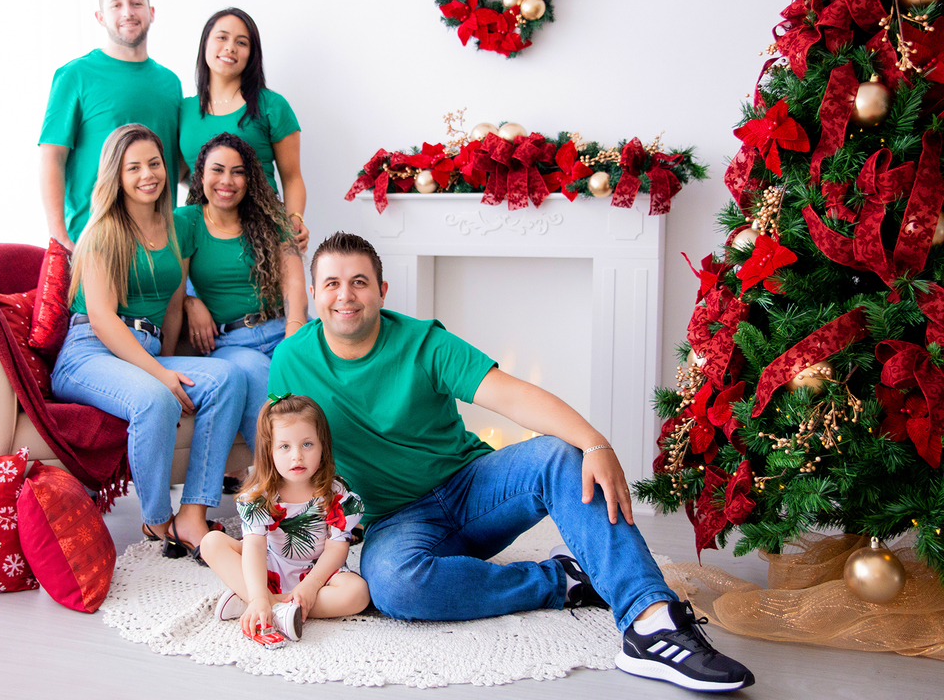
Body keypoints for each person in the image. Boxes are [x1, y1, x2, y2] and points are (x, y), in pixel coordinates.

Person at [267, 232, 756, 693]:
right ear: (313, 292)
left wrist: (595, 442)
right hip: (394, 520)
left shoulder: (423, 343)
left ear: (381, 290)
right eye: (332, 283)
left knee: (560, 454)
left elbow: (514, 398)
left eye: (359, 282)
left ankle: (652, 622)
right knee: (393, 586)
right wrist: (267, 530)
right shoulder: (291, 360)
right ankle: (559, 580)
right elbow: (282, 450)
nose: (345, 295)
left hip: (471, 487)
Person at [50, 123, 246, 558]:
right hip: (89, 353)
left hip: (149, 349)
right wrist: (162, 376)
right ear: (115, 176)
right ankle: (158, 521)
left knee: (227, 377)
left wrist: (173, 364)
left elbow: (174, 307)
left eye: (154, 163)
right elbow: (102, 320)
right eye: (132, 167)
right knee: (156, 398)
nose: (147, 174)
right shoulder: (101, 231)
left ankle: (192, 513)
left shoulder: (171, 227)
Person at [176, 132, 307, 454]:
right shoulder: (186, 221)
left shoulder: (269, 217)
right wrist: (190, 302)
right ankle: (277, 487)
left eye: (238, 172)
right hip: (231, 342)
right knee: (259, 377)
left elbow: (294, 282)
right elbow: (170, 286)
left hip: (282, 329)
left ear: (250, 179)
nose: (227, 180)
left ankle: (340, 483)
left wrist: (293, 333)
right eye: (217, 170)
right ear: (201, 175)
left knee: (321, 382)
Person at [201, 394, 369, 644]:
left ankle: (259, 604)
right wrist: (259, 593)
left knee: (358, 593)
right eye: (285, 447)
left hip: (319, 574)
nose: (297, 457)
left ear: (323, 445)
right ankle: (264, 603)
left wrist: (312, 585)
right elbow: (255, 547)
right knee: (211, 542)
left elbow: (337, 548)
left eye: (307, 444)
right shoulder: (260, 496)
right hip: (270, 569)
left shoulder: (336, 494)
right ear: (269, 452)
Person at [39, 0, 182, 251]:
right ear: (101, 17)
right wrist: (58, 235)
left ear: (151, 12)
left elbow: (174, 162)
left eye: (136, 3)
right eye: (116, 5)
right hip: (95, 240)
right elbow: (52, 156)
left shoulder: (170, 83)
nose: (128, 12)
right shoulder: (75, 75)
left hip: (160, 241)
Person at [178, 8, 309, 253]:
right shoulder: (183, 110)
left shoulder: (272, 105)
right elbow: (178, 174)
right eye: (222, 37)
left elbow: (292, 177)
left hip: (262, 235)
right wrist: (217, 186)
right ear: (205, 43)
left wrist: (295, 219)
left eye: (241, 42)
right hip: (199, 234)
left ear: (252, 54)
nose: (230, 47)